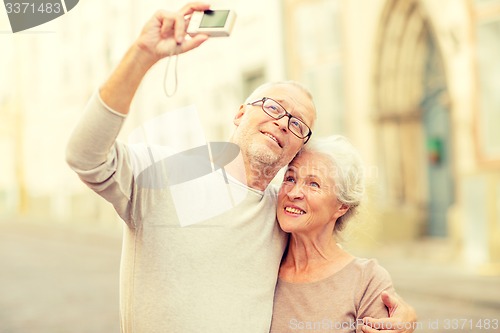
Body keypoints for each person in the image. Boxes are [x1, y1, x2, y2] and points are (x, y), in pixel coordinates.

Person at [66, 3, 416, 332]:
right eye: (274, 107)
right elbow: (84, 156)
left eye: (297, 124)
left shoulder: (282, 213)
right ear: (239, 112)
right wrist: (142, 56)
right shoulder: (165, 172)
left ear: (299, 147)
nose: (283, 123)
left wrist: (401, 314)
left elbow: (329, 269)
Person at [270, 135, 410, 333]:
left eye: (313, 184)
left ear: (342, 206)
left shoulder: (366, 281)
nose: (293, 193)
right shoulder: (263, 263)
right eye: (290, 178)